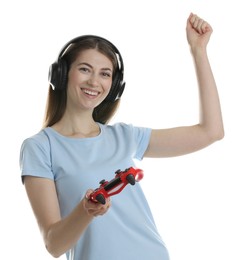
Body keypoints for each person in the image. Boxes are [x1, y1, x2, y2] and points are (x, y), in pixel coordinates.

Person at [19, 13, 224, 260]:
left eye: (105, 74)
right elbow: (54, 245)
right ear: (61, 75)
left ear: (114, 86)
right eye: (85, 69)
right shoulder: (40, 147)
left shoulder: (124, 136)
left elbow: (210, 132)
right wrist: (86, 211)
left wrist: (198, 51)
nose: (94, 81)